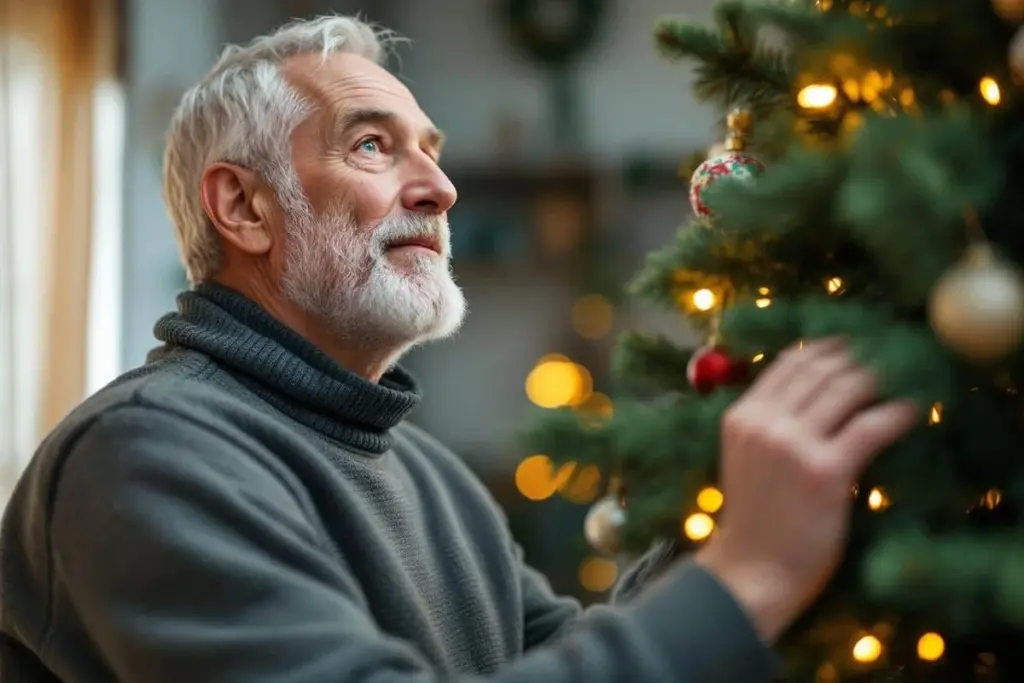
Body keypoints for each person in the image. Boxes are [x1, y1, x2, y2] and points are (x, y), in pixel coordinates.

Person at [0, 15, 920, 683]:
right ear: (243, 207)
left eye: (431, 151)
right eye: (373, 145)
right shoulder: (147, 453)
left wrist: (728, 509)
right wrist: (747, 573)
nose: (439, 186)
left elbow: (562, 659)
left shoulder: (429, 473)